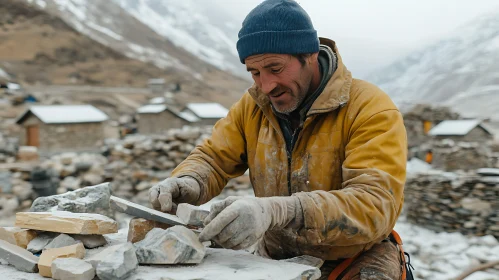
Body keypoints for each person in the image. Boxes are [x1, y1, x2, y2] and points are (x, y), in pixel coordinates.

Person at [149, 0, 409, 279]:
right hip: (275, 260)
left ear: (308, 55)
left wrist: (280, 211)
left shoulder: (370, 109)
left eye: (275, 68)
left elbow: (373, 205)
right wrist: (190, 181)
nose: (266, 85)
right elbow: (214, 158)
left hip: (352, 261)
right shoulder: (253, 107)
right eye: (255, 72)